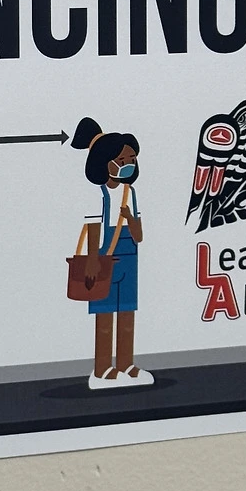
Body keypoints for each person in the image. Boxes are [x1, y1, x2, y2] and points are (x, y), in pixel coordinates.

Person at [70, 117, 154, 390]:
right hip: (103, 257)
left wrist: (131, 219)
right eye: (122, 159)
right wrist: (93, 260)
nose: (128, 164)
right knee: (105, 316)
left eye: (132, 159)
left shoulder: (131, 193)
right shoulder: (97, 194)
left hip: (130, 256)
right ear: (104, 162)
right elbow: (93, 227)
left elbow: (139, 235)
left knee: (127, 313)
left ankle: (126, 364)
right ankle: (103, 367)